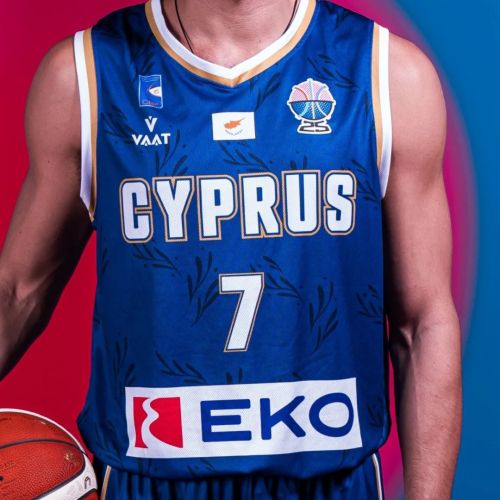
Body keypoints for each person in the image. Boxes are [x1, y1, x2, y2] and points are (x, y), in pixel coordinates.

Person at [0, 0, 462, 498]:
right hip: (148, 478)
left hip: (330, 479)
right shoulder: (84, 77)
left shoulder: (387, 75)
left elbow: (422, 324)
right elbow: (19, 291)